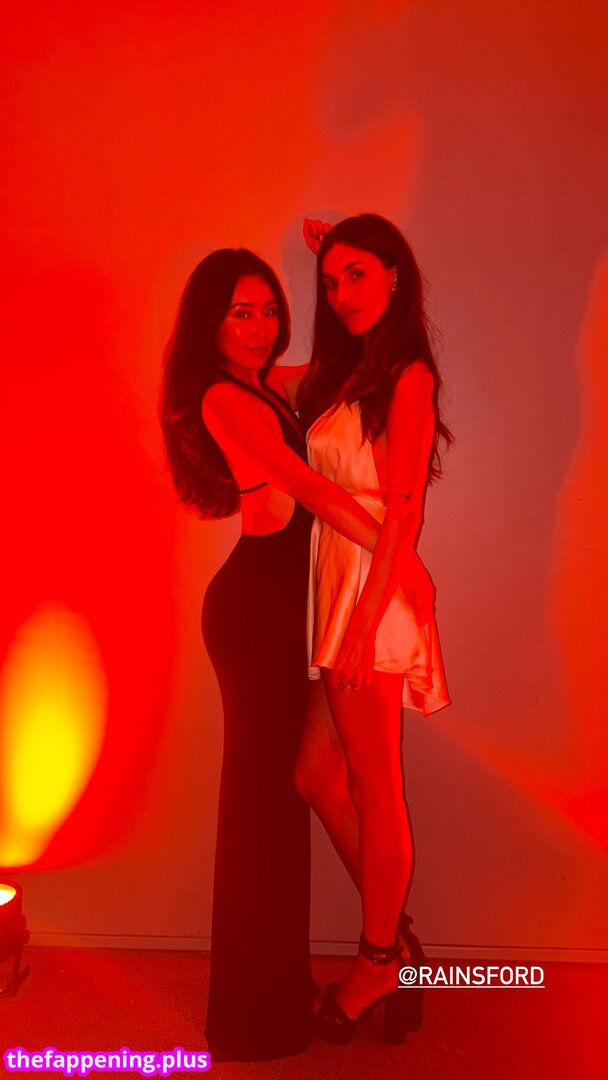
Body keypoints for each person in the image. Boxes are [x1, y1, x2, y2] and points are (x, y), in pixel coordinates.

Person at [159, 248, 406, 1061]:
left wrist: (347, 263)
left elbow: (353, 359)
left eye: (269, 309)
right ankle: (253, 1015)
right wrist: (403, 562)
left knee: (296, 789)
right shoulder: (222, 398)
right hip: (255, 611)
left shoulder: (268, 385)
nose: (261, 327)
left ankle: (360, 961)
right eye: (241, 312)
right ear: (211, 322)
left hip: (285, 608)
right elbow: (313, 491)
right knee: (260, 811)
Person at [294, 213, 452, 1045]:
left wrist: (361, 632)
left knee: (375, 788)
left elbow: (404, 514)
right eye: (331, 281)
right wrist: (333, 248)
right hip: (340, 585)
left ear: (396, 274)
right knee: (317, 776)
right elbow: (253, 372)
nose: (342, 293)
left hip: (372, 594)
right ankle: (395, 942)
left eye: (359, 274)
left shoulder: (408, 376)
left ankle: (375, 960)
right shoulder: (343, 373)